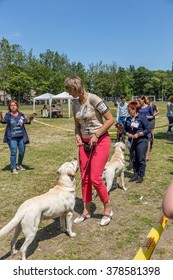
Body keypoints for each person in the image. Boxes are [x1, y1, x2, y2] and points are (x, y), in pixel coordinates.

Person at [64, 76, 114, 226]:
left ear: (77, 88)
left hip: (100, 141)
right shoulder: (74, 103)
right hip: (84, 144)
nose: (68, 93)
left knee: (95, 178)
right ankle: (86, 211)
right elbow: (77, 124)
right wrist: (77, 136)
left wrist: (97, 135)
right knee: (85, 178)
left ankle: (107, 209)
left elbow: (110, 120)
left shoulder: (95, 100)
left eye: (70, 90)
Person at [0, 100, 33, 175]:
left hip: (21, 137)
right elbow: (3, 121)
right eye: (11, 105)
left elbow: (26, 121)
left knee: (22, 152)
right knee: (13, 152)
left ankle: (19, 165)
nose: (13, 106)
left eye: (14, 105)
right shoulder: (8, 115)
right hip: (12, 138)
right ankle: (13, 168)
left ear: (17, 106)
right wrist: (1, 115)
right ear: (9, 107)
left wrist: (31, 118)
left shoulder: (21, 114)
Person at [124, 101, 150, 183]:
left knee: (141, 158)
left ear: (135, 109)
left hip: (141, 141)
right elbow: (124, 130)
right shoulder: (127, 119)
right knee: (133, 158)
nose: (129, 111)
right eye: (128, 110)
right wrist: (128, 134)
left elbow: (148, 129)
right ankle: (135, 174)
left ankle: (141, 175)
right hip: (132, 141)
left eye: (130, 109)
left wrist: (139, 134)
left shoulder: (142, 118)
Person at [137, 95, 154, 160]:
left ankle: (147, 156)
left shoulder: (149, 107)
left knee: (148, 140)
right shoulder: (138, 108)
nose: (138, 102)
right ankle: (141, 154)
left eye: (139, 100)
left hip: (147, 126)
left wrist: (148, 117)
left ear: (143, 100)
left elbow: (153, 116)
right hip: (140, 127)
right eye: (138, 101)